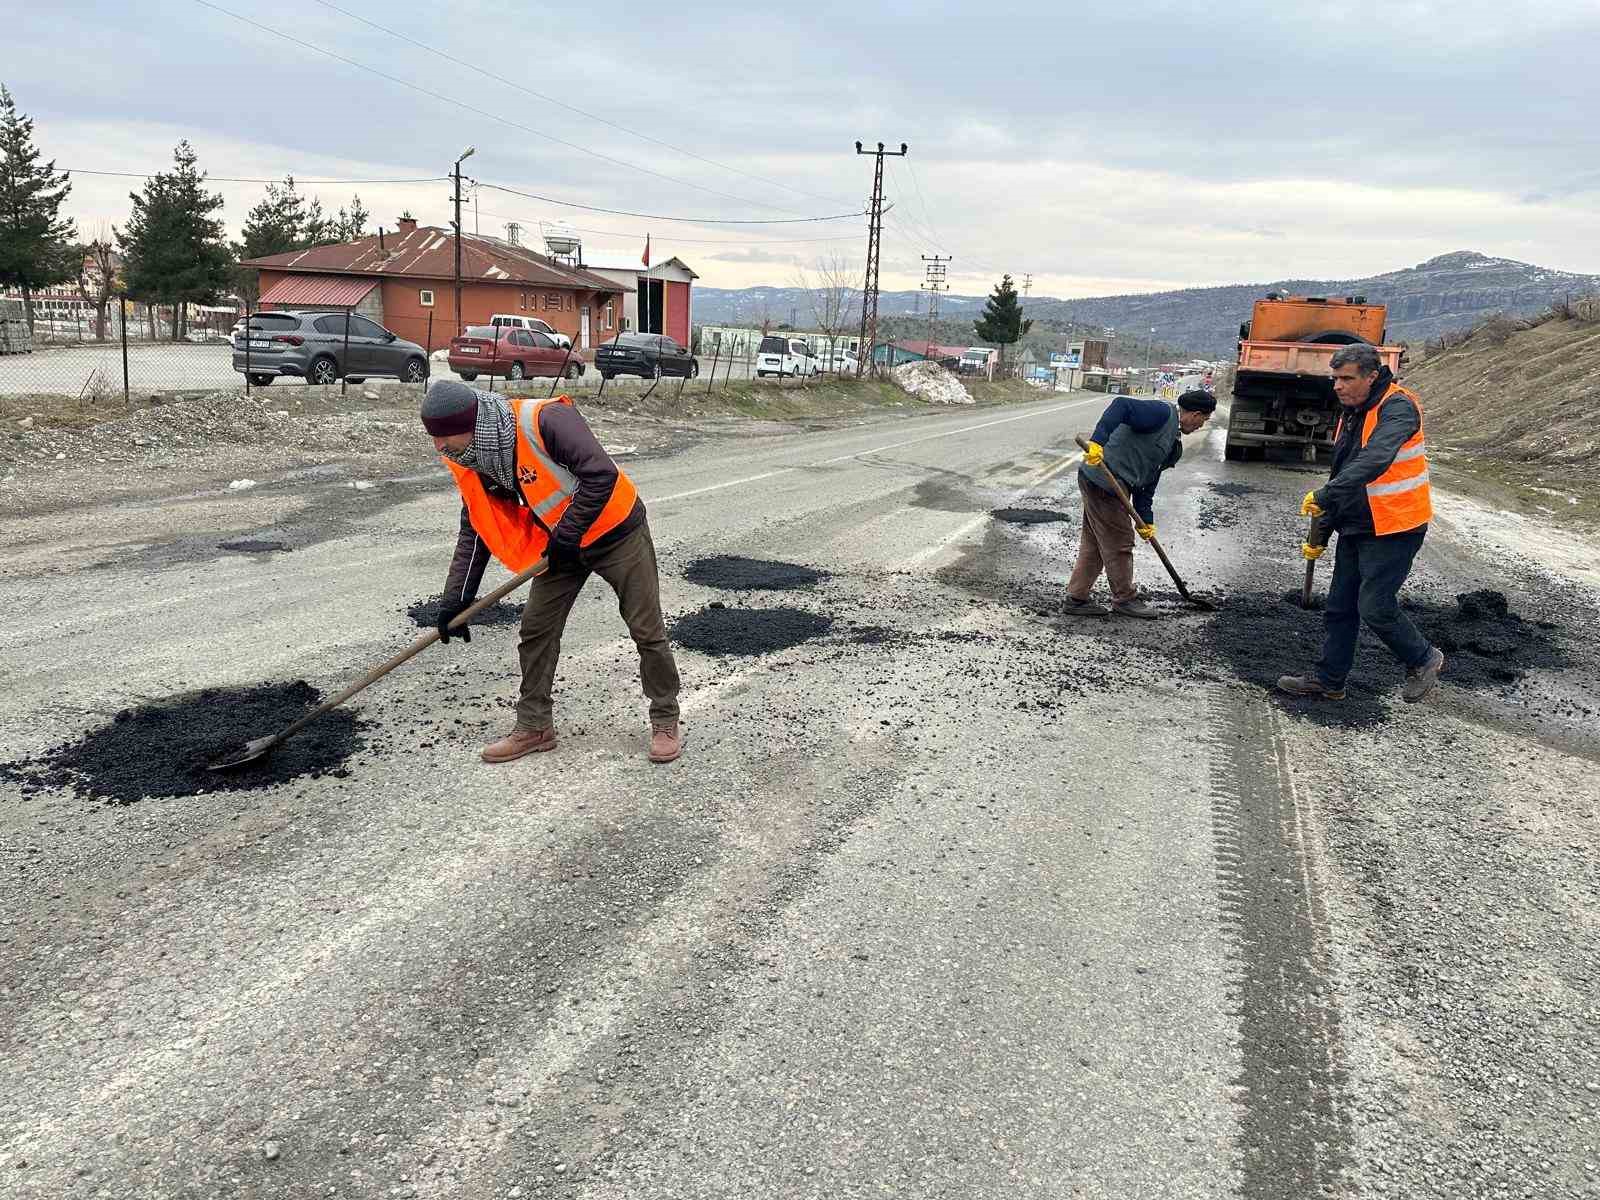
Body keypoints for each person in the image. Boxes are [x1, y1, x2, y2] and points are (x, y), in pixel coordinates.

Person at [421, 380, 682, 763]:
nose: (438, 446)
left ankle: (665, 718)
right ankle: (535, 726)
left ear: (472, 425)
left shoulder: (546, 419)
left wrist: (568, 534)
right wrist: (455, 600)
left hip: (616, 533)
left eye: (444, 436)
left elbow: (601, 475)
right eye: (434, 437)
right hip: (561, 547)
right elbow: (477, 526)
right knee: (536, 631)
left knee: (646, 628)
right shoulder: (473, 457)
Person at [1278, 344, 1444, 703]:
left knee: (1375, 606)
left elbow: (1376, 458)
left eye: (1346, 378)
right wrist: (1322, 531)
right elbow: (1344, 472)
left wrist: (1325, 495)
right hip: (1357, 523)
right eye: (1335, 378)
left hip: (1395, 525)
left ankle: (1423, 657)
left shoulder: (1398, 407)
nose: (1337, 386)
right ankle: (1329, 681)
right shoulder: (1353, 411)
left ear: (1371, 376)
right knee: (1340, 606)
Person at [1063, 388, 1217, 619]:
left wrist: (1146, 519)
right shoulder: (1161, 413)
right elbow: (1121, 405)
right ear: (1195, 414)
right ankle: (1125, 599)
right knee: (1120, 542)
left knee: (1096, 543)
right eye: (1203, 420)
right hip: (1104, 479)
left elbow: (1148, 482)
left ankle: (1076, 598)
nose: (1201, 425)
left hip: (1107, 482)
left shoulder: (1172, 443)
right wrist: (1097, 442)